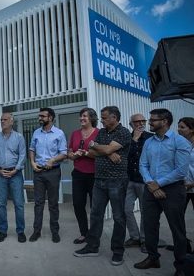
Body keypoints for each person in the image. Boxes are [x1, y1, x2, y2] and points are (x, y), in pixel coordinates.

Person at [133, 109, 191, 276]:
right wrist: (151, 184)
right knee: (149, 225)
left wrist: (157, 184)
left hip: (173, 189)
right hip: (150, 188)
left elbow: (181, 171)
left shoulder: (180, 142)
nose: (149, 122)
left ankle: (180, 266)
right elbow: (143, 164)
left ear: (165, 121)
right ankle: (153, 258)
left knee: (177, 228)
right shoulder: (149, 142)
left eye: (153, 120)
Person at [74, 106, 131, 266]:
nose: (102, 120)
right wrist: (106, 150)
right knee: (95, 214)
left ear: (114, 118)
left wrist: (101, 148)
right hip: (99, 180)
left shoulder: (123, 132)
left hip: (117, 181)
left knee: (119, 217)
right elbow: (92, 152)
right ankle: (92, 247)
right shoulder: (102, 132)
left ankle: (118, 252)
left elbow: (100, 148)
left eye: (105, 118)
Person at [28, 107, 67, 243]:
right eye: (39, 116)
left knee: (53, 204)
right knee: (38, 203)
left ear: (50, 118)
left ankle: (55, 232)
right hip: (38, 171)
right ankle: (36, 231)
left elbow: (63, 153)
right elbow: (32, 149)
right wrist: (32, 162)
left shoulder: (59, 133)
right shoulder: (36, 133)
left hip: (53, 172)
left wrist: (53, 160)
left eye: (43, 116)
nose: (40, 118)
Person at [0, 113, 26, 243]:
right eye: (1, 120)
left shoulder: (19, 137)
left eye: (5, 120)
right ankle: (3, 230)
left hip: (15, 174)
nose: (2, 122)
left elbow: (22, 155)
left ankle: (20, 231)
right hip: (0, 174)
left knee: (19, 204)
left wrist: (15, 170)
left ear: (12, 122)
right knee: (0, 204)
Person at [67, 108, 99, 244]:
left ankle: (94, 234)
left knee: (95, 207)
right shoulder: (75, 134)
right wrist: (73, 155)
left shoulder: (99, 133)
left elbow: (102, 153)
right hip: (78, 174)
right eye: (81, 116)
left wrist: (85, 153)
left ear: (92, 118)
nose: (82, 118)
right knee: (78, 204)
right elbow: (69, 151)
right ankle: (84, 233)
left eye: (85, 116)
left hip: (95, 175)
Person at [124, 113, 153, 253]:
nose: (140, 124)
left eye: (143, 121)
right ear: (131, 124)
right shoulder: (127, 138)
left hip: (144, 181)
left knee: (145, 211)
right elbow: (124, 157)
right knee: (126, 209)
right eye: (137, 122)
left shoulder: (150, 138)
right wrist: (134, 140)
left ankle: (144, 239)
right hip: (129, 179)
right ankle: (134, 236)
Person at [178, 117, 194, 210]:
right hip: (182, 187)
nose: (178, 129)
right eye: (178, 127)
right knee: (178, 216)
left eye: (182, 127)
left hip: (191, 185)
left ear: (192, 129)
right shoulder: (179, 144)